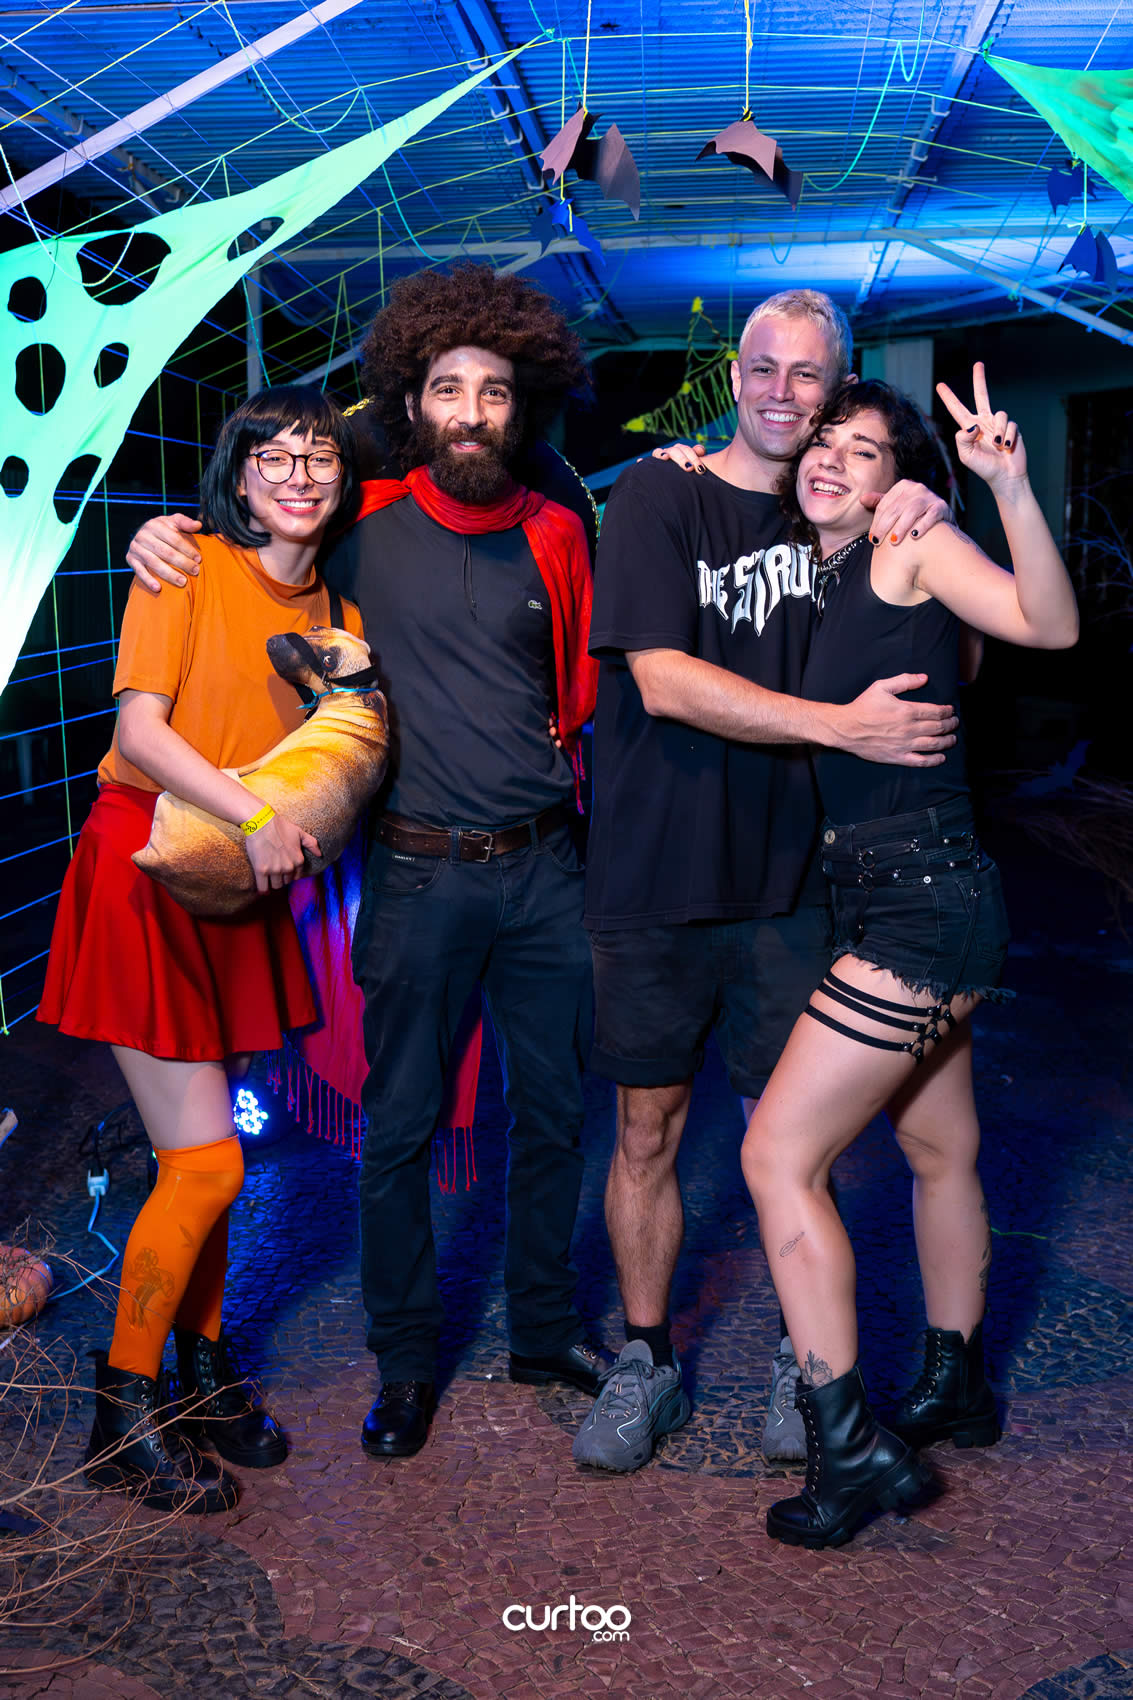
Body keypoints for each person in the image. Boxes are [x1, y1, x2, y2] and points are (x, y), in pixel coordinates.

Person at [123, 265, 608, 1462]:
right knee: (398, 1129)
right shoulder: (361, 520)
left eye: (493, 392)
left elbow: (579, 694)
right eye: (447, 388)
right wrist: (165, 530)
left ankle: (544, 1330)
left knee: (554, 1116)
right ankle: (403, 1364)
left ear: (519, 407)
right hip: (417, 872)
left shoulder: (558, 530)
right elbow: (264, 529)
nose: (470, 411)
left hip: (545, 869)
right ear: (410, 401)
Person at [573, 289, 960, 1474]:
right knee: (646, 1127)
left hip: (797, 879)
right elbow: (661, 681)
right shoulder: (661, 493)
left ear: (835, 390)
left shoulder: (846, 516)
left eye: (807, 375)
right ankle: (646, 1358)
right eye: (763, 367)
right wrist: (837, 726)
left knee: (792, 1138)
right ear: (731, 375)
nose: (782, 392)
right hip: (653, 873)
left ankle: (810, 1362)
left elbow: (960, 639)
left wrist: (933, 505)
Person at [739, 366, 1078, 1548]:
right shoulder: (831, 568)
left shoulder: (905, 548)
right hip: (896, 896)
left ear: (898, 482)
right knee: (939, 1148)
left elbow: (1047, 624)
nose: (830, 459)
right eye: (822, 441)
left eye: (864, 450)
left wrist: (1000, 487)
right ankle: (956, 1383)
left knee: (775, 1153)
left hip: (919, 909)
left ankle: (848, 1449)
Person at [38, 386, 366, 1511]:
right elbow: (139, 732)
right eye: (273, 456)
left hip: (234, 875)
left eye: (319, 456)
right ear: (236, 476)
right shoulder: (180, 566)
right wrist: (258, 815)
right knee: (209, 1162)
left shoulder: (337, 608)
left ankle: (202, 1375)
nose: (297, 475)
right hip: (146, 860)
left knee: (210, 1156)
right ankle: (121, 1409)